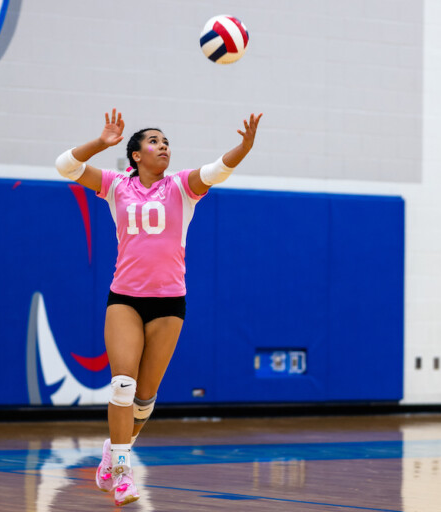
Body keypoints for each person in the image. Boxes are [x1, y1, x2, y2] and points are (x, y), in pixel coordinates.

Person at [55, 108, 262, 507]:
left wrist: (244, 147)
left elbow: (219, 170)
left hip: (169, 302)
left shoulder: (181, 187)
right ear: (135, 154)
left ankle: (111, 452)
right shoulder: (115, 185)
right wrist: (101, 143)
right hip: (126, 299)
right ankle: (121, 472)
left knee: (145, 399)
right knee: (122, 385)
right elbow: (66, 166)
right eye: (154, 142)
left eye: (166, 142)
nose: (163, 147)